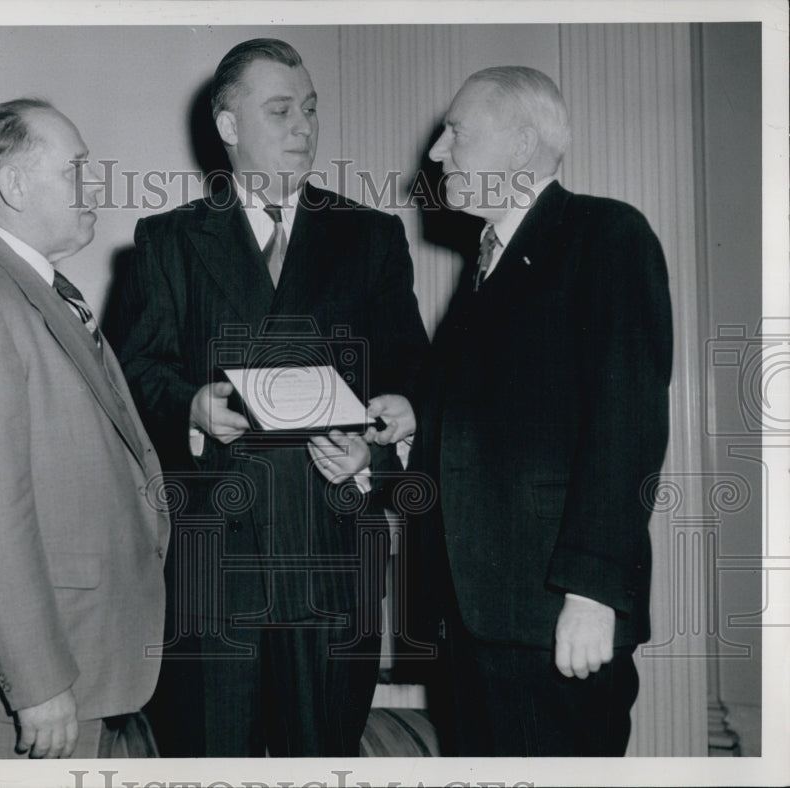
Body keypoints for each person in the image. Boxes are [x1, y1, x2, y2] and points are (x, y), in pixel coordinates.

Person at [114, 38, 429, 756]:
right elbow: (136, 376)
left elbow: (412, 374)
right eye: (281, 110)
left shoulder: (371, 237)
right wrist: (191, 407)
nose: (304, 128)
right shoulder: (166, 241)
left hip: (335, 562)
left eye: (311, 110)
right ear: (229, 127)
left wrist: (378, 444)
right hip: (214, 570)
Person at [0, 98, 170, 759]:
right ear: (16, 185)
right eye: (78, 169)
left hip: (76, 656)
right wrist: (37, 682)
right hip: (36, 684)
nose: (97, 184)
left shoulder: (20, 288)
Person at [415, 66, 674, 756]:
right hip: (476, 624)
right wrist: (391, 440)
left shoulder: (606, 236)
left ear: (522, 142)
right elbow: (483, 432)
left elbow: (628, 427)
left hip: (554, 618)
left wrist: (592, 593)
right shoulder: (484, 263)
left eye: (456, 132)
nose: (438, 152)